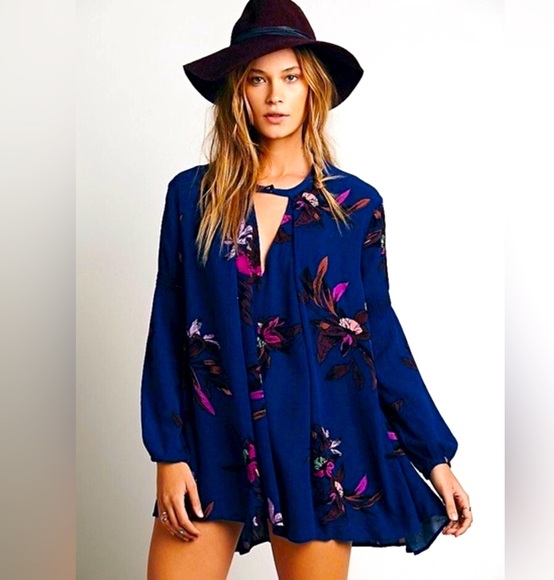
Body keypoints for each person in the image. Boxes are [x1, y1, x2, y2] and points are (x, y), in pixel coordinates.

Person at [140, 1, 473, 578]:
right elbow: (168, 329)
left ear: (312, 89)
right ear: (238, 93)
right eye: (257, 79)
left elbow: (380, 338)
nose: (275, 96)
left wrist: (434, 458)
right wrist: (167, 454)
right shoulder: (192, 198)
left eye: (290, 78)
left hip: (318, 448)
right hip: (212, 441)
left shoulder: (355, 206)